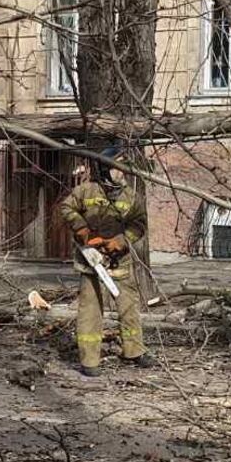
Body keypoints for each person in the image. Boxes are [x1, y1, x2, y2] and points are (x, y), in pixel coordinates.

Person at [58, 143, 158, 377]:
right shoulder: (86, 191)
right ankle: (90, 360)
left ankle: (134, 351)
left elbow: (139, 224)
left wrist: (122, 241)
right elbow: (66, 208)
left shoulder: (131, 196)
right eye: (117, 167)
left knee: (129, 307)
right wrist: (82, 230)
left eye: (123, 167)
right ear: (105, 169)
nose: (121, 171)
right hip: (91, 260)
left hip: (119, 259)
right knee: (90, 309)